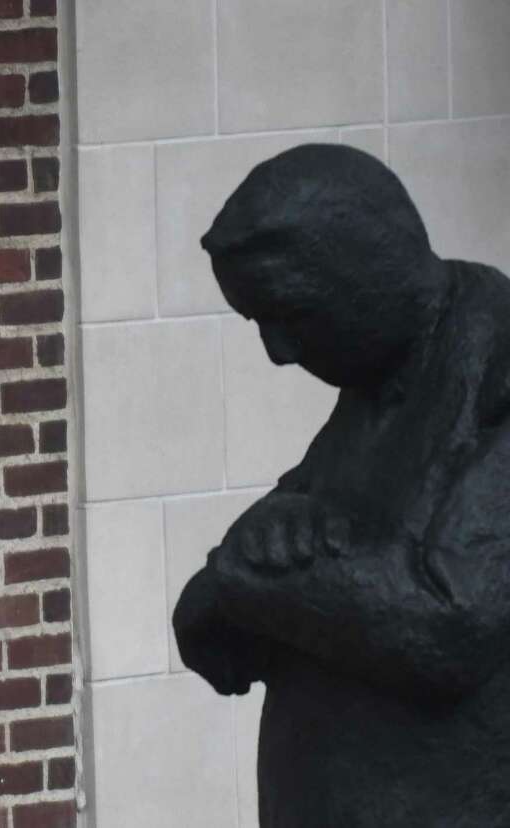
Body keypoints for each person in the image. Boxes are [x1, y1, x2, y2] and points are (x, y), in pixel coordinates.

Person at [173, 144, 510, 826]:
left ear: (366, 272)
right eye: (258, 322)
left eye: (290, 315)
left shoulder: (493, 378)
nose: (277, 351)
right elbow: (214, 625)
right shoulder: (371, 391)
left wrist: (265, 579)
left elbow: (448, 627)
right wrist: (250, 574)